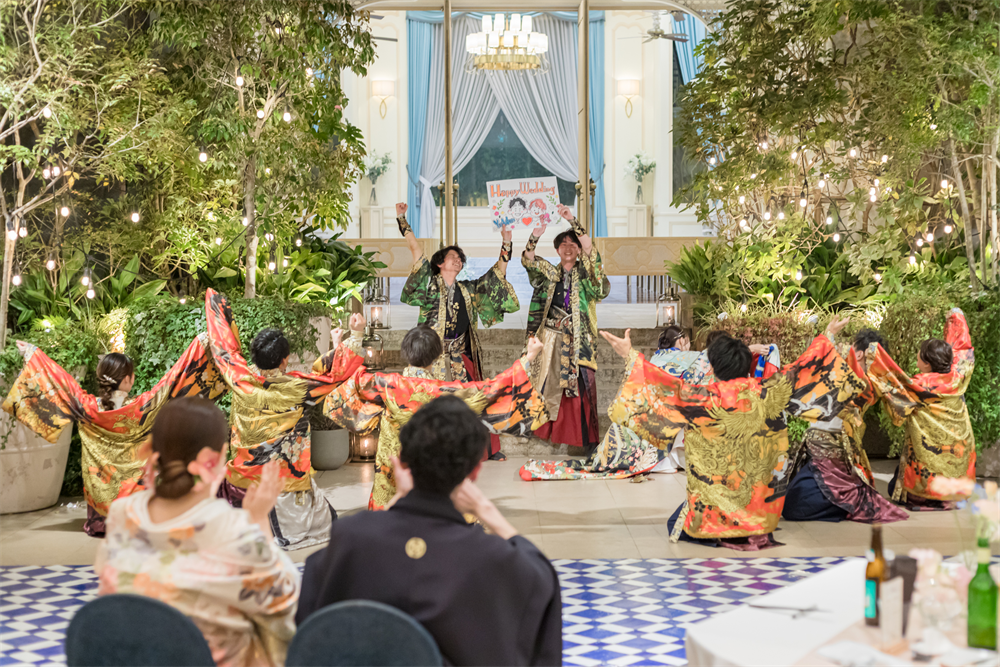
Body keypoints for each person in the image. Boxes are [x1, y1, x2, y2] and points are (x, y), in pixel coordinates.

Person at [297, 395, 562, 667]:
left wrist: (394, 504)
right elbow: (542, 582)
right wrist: (487, 512)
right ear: (474, 472)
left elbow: (310, 630)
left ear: (402, 462)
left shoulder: (351, 537)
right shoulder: (489, 556)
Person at [600, 318, 865, 550]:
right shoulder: (768, 391)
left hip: (718, 505)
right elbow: (803, 368)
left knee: (676, 523)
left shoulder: (703, 398)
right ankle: (748, 523)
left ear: (714, 367)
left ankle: (723, 527)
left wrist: (629, 355)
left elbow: (661, 384)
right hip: (761, 512)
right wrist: (828, 335)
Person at [96, 397, 298, 667]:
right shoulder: (231, 528)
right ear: (218, 457)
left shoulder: (122, 514)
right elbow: (284, 601)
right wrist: (259, 520)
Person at [2, 337, 226, 537]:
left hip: (101, 501)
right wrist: (200, 342)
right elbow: (172, 380)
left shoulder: (87, 408)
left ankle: (102, 521)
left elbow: (61, 383)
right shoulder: (143, 408)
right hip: (135, 507)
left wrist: (32, 353)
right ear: (128, 379)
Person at [204, 288, 367, 549]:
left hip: (243, 480)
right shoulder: (297, 388)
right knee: (327, 523)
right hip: (285, 485)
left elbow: (224, 349)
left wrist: (217, 306)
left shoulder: (239, 378)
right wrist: (355, 334)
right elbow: (332, 376)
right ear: (285, 360)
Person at [323, 325, 549, 510]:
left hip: (393, 469)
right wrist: (529, 357)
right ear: (436, 356)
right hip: (427, 470)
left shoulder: (387, 384)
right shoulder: (444, 391)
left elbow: (350, 380)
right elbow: (492, 388)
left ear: (405, 352)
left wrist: (342, 342)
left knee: (388, 505)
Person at [396, 202, 519, 460]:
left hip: (460, 357)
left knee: (473, 401)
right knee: (431, 405)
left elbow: (496, 276)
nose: (458, 260)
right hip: (432, 359)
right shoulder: (429, 285)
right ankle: (432, 450)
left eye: (460, 258)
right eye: (453, 256)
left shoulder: (468, 289)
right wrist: (402, 219)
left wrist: (507, 241)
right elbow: (416, 250)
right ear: (440, 263)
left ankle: (481, 450)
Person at [782, 329, 909, 524]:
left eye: (852, 346)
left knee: (794, 505)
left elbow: (821, 365)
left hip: (833, 454)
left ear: (859, 354)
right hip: (826, 450)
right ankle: (849, 498)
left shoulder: (860, 382)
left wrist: (829, 335)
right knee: (792, 498)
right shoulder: (863, 381)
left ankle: (849, 502)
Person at [864, 308, 976, 509]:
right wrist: (956, 317)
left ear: (927, 364)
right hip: (958, 458)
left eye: (918, 360)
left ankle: (929, 496)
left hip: (929, 466)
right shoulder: (958, 375)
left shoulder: (919, 386)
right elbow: (961, 349)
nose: (916, 363)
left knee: (894, 487)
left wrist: (872, 354)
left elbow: (891, 381)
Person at [522, 204, 611, 453]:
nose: (568, 247)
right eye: (563, 244)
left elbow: (592, 253)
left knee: (582, 387)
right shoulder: (549, 273)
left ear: (579, 249)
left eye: (573, 244)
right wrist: (536, 234)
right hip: (551, 339)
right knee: (547, 384)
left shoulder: (588, 275)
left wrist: (572, 220)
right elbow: (528, 260)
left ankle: (585, 441)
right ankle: (545, 433)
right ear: (557, 250)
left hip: (580, 341)